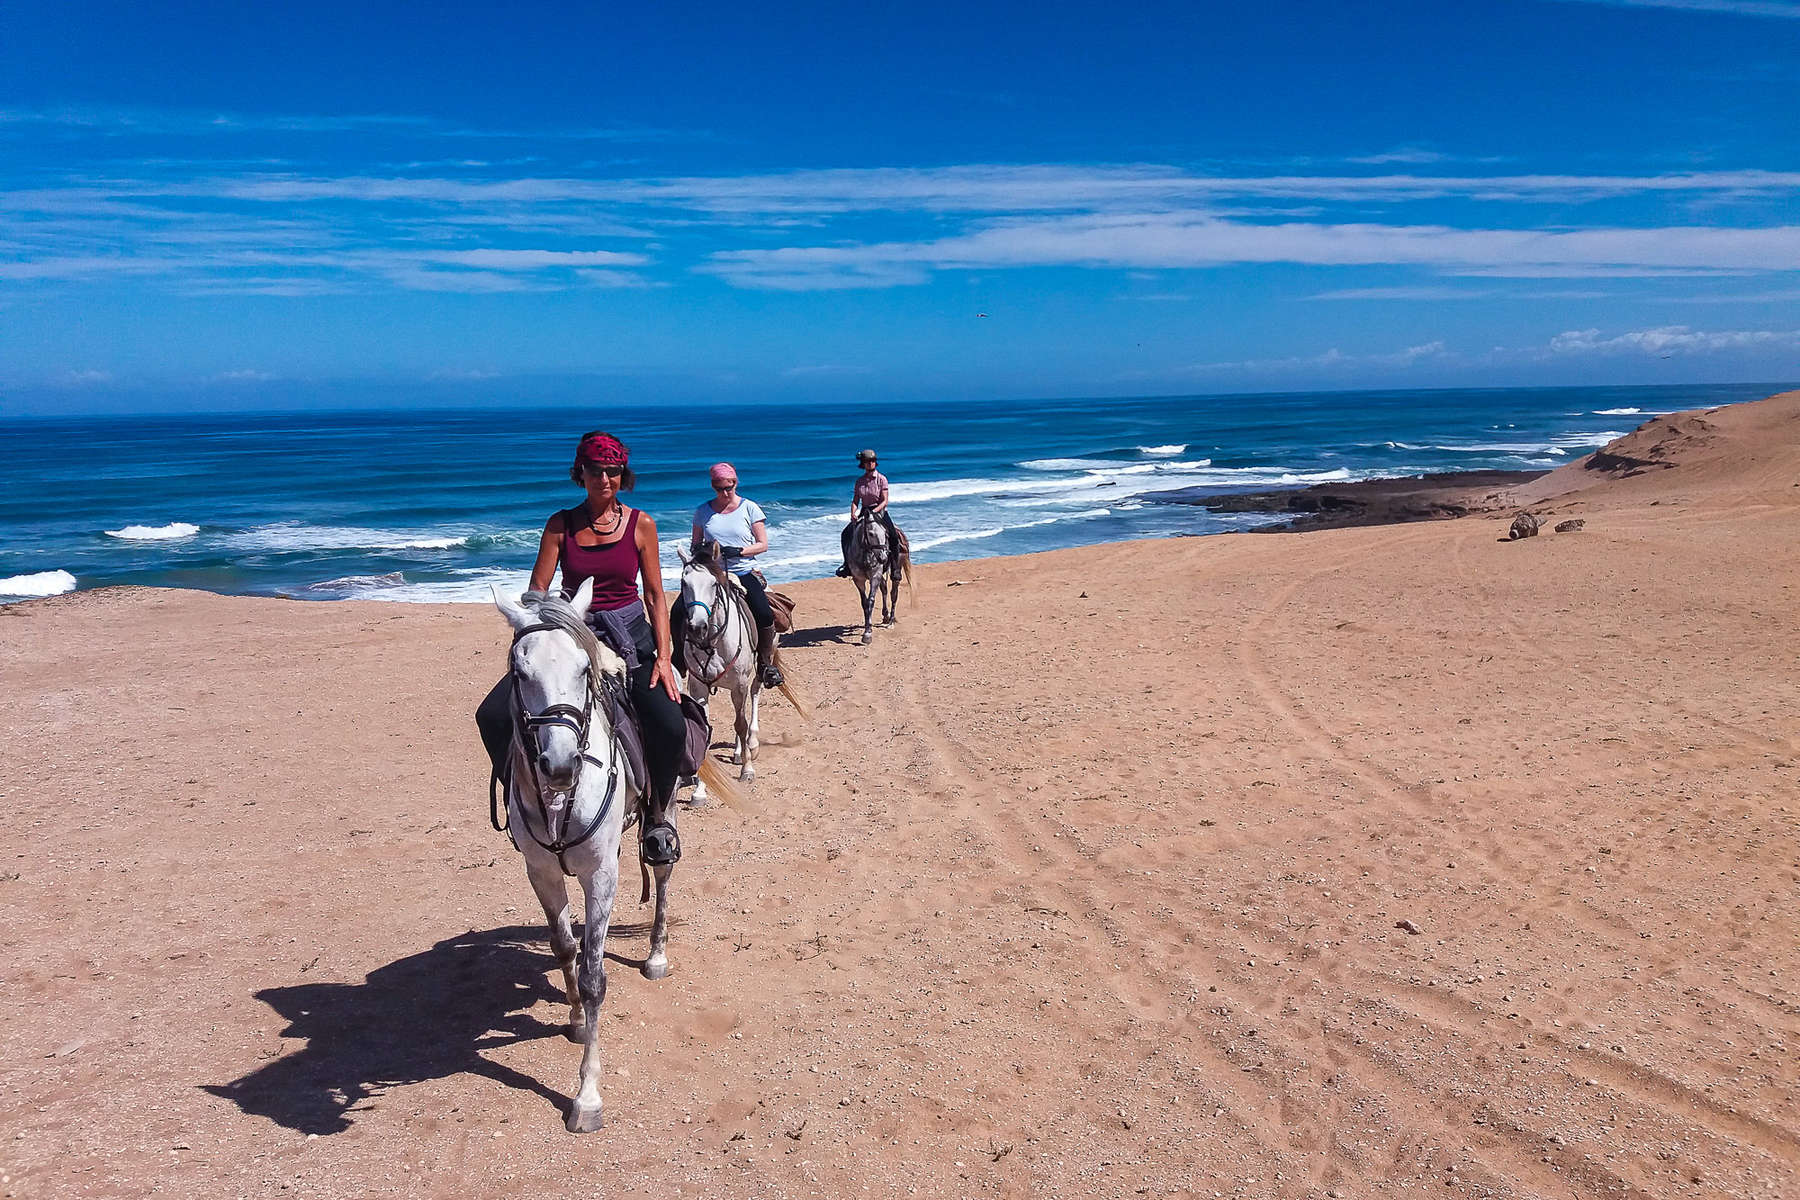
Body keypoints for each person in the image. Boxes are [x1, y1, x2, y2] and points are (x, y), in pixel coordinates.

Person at [475, 430, 685, 865]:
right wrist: (532, 642)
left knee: (668, 722)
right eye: (595, 471)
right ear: (581, 474)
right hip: (571, 636)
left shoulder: (641, 524)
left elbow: (654, 596)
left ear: (622, 476)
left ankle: (657, 817)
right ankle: (522, 802)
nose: (604, 479)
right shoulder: (560, 525)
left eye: (612, 471)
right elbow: (537, 593)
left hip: (630, 639)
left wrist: (663, 658)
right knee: (493, 714)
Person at [689, 462, 784, 688]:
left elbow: (762, 544)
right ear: (713, 487)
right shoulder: (703, 511)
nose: (725, 493)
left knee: (763, 613)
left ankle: (765, 665)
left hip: (743, 570)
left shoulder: (749, 508)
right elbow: (694, 545)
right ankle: (681, 660)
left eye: (729, 487)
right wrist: (707, 552)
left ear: (735, 484)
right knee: (684, 609)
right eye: (720, 488)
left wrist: (739, 551)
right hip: (713, 573)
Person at [837, 448, 906, 577]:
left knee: (893, 535)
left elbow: (885, 501)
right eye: (868, 461)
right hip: (864, 511)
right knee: (846, 534)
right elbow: (856, 500)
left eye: (873, 461)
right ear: (863, 464)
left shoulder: (881, 479)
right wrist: (853, 512)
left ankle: (896, 568)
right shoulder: (859, 482)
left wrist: (874, 511)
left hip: (879, 511)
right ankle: (847, 565)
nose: (870, 463)